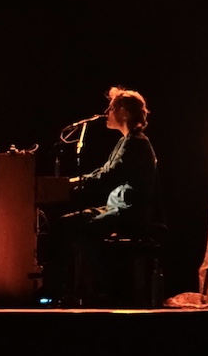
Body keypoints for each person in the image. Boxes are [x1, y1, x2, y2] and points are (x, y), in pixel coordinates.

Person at [55, 87, 159, 302]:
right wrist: (76, 182)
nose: (106, 112)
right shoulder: (125, 141)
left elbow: (111, 175)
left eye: (111, 108)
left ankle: (110, 287)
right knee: (70, 223)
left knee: (75, 226)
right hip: (118, 208)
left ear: (124, 111)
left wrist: (75, 184)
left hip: (128, 212)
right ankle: (91, 286)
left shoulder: (136, 143)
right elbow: (104, 172)